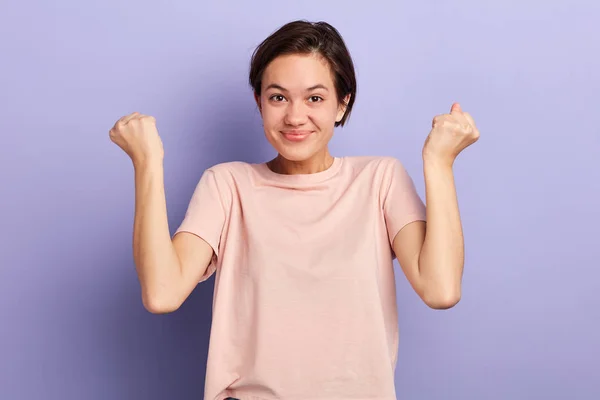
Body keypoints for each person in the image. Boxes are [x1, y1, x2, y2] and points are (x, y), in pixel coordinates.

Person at [109, 19, 479, 400]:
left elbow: (441, 289)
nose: (295, 117)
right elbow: (162, 293)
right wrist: (147, 162)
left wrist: (439, 162)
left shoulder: (380, 180)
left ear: (342, 103)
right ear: (259, 102)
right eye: (278, 97)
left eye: (315, 98)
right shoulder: (227, 185)